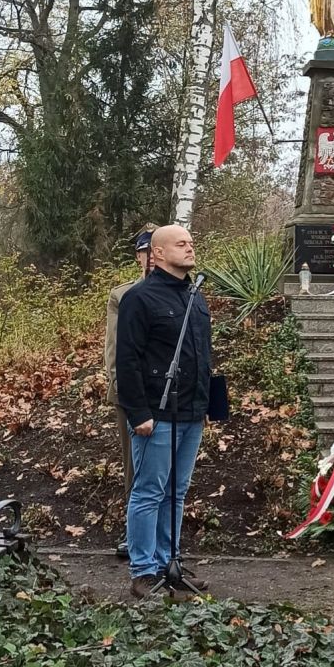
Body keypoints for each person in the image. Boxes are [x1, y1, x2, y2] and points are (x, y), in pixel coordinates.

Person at [116, 225, 211, 599]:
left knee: (177, 492)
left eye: (191, 241)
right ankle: (143, 571)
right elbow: (127, 360)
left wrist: (205, 404)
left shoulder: (195, 296)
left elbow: (202, 356)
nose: (189, 248)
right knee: (149, 491)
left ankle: (169, 562)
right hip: (156, 413)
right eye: (181, 243)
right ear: (156, 254)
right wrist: (138, 413)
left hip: (191, 411)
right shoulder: (139, 299)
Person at [104, 226, 155, 558]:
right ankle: (134, 538)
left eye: (156, 249)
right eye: (146, 251)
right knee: (135, 467)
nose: (152, 258)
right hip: (133, 393)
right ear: (139, 256)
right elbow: (114, 349)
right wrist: (120, 390)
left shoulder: (186, 293)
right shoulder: (122, 296)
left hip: (171, 393)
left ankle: (164, 540)